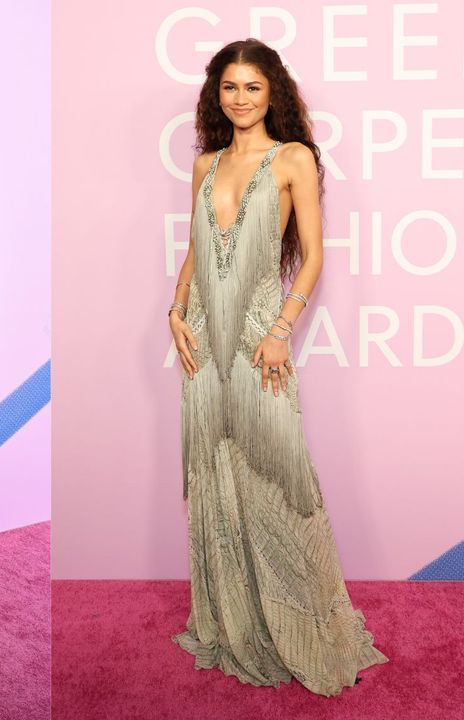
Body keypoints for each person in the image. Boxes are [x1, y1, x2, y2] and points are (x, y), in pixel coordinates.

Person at [168, 39, 387, 696]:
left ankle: (304, 626)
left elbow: (313, 257)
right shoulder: (206, 164)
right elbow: (196, 247)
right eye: (229, 88)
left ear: (274, 94)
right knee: (217, 482)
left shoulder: (293, 159)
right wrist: (173, 309)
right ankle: (237, 623)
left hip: (260, 334)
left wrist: (281, 330)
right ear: (217, 94)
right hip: (203, 339)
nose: (240, 99)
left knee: (274, 481)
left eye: (252, 88)